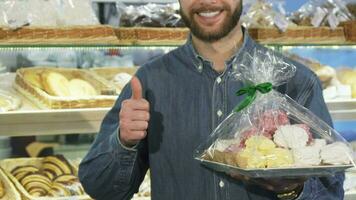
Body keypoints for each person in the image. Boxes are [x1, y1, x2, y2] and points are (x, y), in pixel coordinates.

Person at [79, 0, 345, 199]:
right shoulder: (149, 82)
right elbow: (102, 190)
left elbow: (331, 191)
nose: (207, 1)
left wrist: (294, 188)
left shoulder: (297, 82)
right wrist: (123, 142)